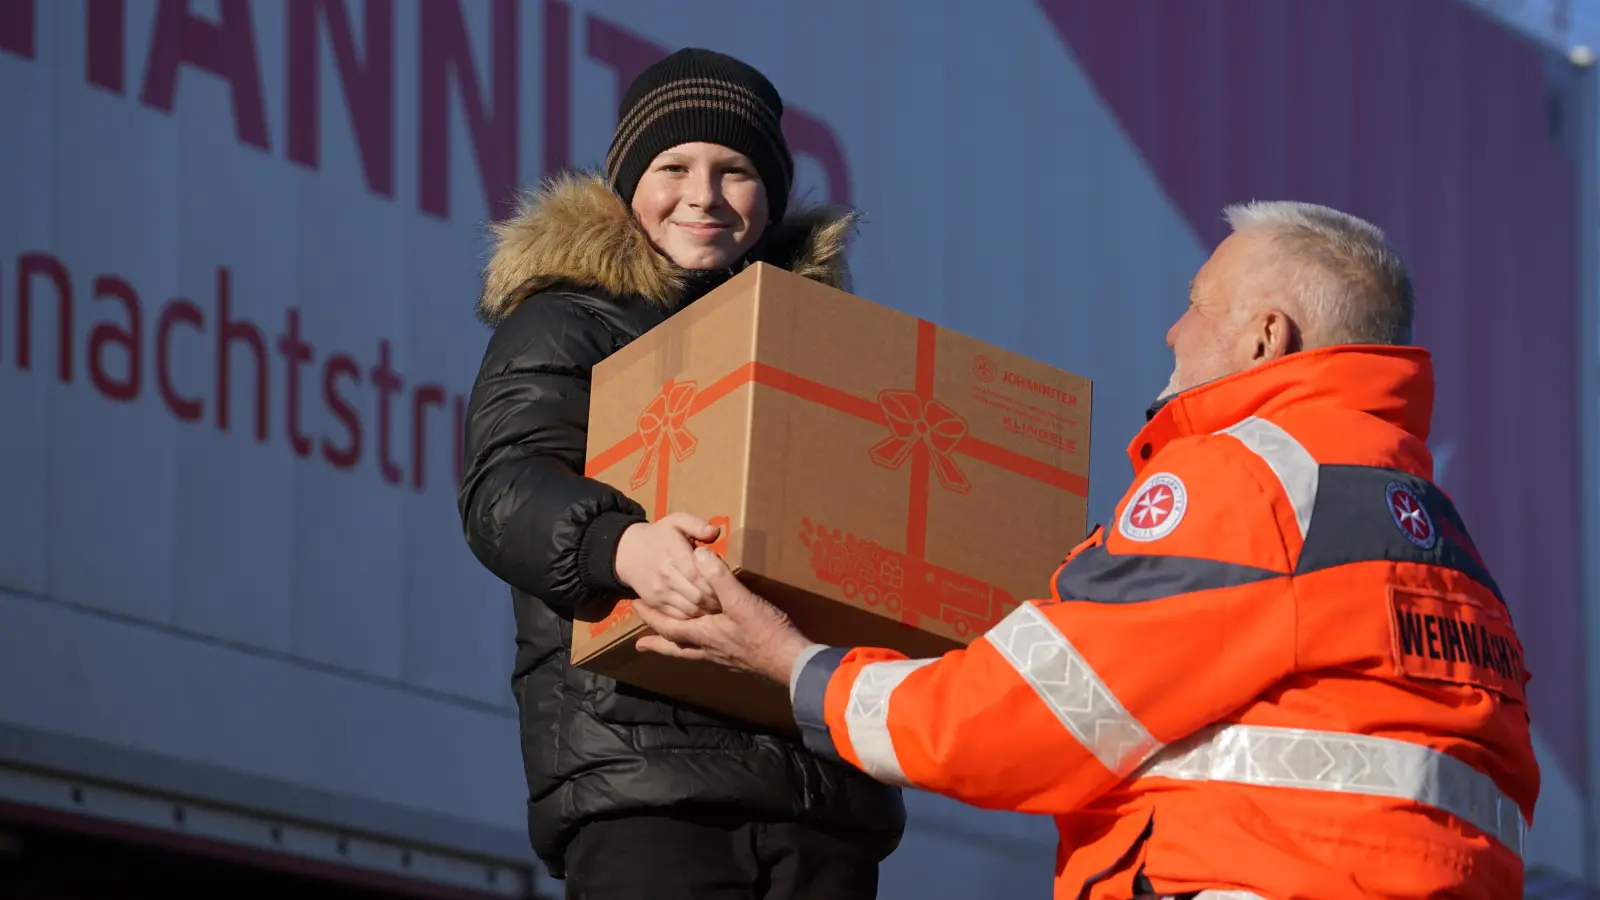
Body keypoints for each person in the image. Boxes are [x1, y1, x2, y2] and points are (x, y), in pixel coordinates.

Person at [632, 201, 1541, 900]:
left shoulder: (1245, 478)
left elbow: (1025, 716)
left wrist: (795, 666)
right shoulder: (1444, 546)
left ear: (1267, 336)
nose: (1173, 330)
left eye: (1195, 305)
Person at [458, 47, 905, 900]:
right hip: (646, 779)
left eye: (735, 170)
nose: (704, 195)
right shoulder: (565, 320)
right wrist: (620, 546)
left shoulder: (821, 342)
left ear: (771, 193)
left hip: (823, 794)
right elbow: (503, 489)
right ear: (630, 181)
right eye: (674, 167)